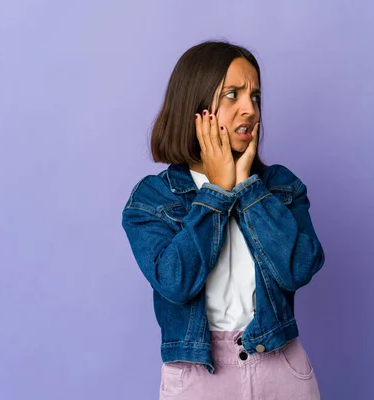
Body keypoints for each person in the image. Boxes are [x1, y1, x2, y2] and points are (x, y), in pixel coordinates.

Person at [121, 41, 325, 399]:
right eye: (232, 95)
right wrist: (216, 191)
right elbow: (176, 283)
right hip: (200, 376)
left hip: (281, 366)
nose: (250, 109)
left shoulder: (279, 186)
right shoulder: (153, 199)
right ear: (196, 108)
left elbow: (298, 269)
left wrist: (247, 187)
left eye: (255, 97)